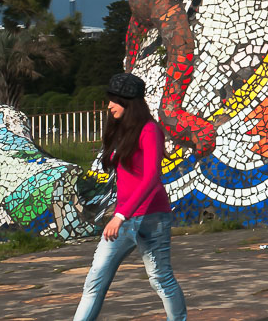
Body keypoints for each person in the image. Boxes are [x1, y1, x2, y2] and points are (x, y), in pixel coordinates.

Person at [74, 72, 187, 321]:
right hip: (122, 220)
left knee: (161, 279)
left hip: (151, 218)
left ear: (129, 102)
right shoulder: (122, 131)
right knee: (95, 280)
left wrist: (121, 215)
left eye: (114, 100)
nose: (109, 105)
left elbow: (151, 178)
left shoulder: (150, 130)